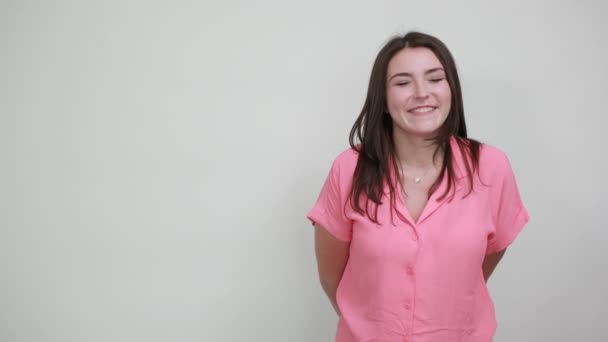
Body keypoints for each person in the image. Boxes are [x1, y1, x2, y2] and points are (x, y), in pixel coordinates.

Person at [306, 31, 529, 342]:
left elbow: (480, 265)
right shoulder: (349, 169)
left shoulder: (491, 168)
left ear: (451, 89)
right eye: (402, 82)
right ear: (382, 100)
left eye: (435, 79)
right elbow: (332, 277)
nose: (421, 92)